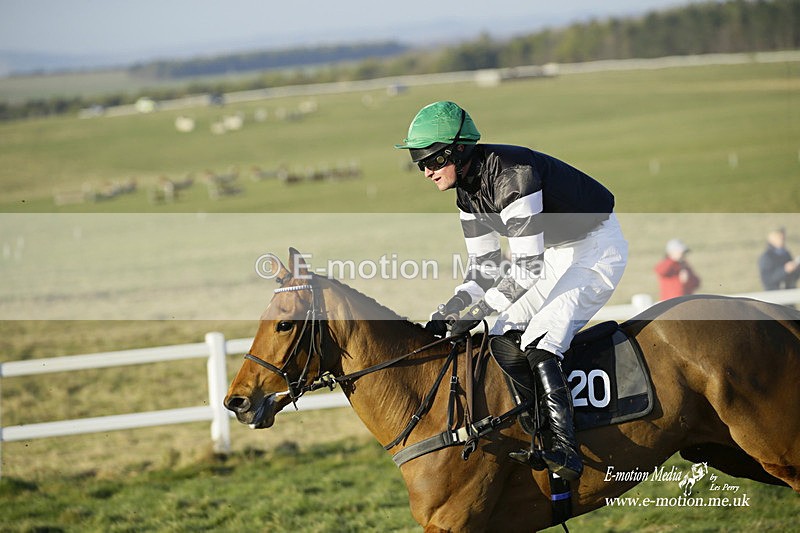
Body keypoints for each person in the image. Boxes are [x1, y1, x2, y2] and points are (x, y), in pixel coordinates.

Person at [395, 101, 628, 480]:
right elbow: (485, 269)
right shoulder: (467, 194)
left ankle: (566, 452)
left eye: (431, 161)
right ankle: (538, 427)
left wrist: (475, 314)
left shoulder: (513, 177)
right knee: (504, 337)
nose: (425, 171)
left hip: (596, 250)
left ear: (457, 151)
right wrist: (451, 309)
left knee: (540, 341)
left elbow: (527, 267)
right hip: (555, 255)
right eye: (420, 163)